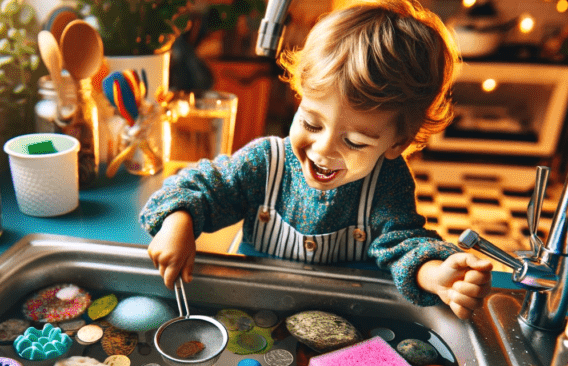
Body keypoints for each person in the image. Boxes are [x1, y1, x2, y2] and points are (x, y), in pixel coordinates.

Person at [140, 0, 492, 319]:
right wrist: (178, 223)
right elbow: (200, 187)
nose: (323, 149)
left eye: (354, 142)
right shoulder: (266, 163)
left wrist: (435, 276)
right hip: (252, 312)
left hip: (344, 318)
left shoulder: (388, 182)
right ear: (299, 96)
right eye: (310, 122)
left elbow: (402, 244)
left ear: (396, 142)